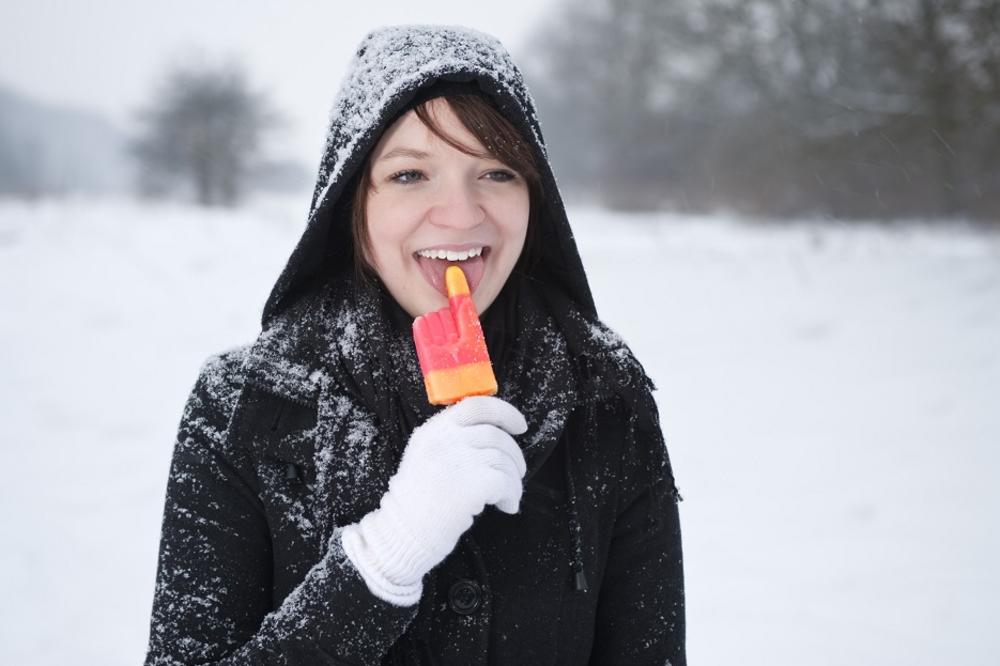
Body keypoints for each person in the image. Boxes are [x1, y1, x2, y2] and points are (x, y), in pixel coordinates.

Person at [143, 25, 685, 665]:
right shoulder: (242, 407)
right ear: (351, 204)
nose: (460, 215)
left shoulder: (606, 401)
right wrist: (385, 557)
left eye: (496, 171)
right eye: (409, 175)